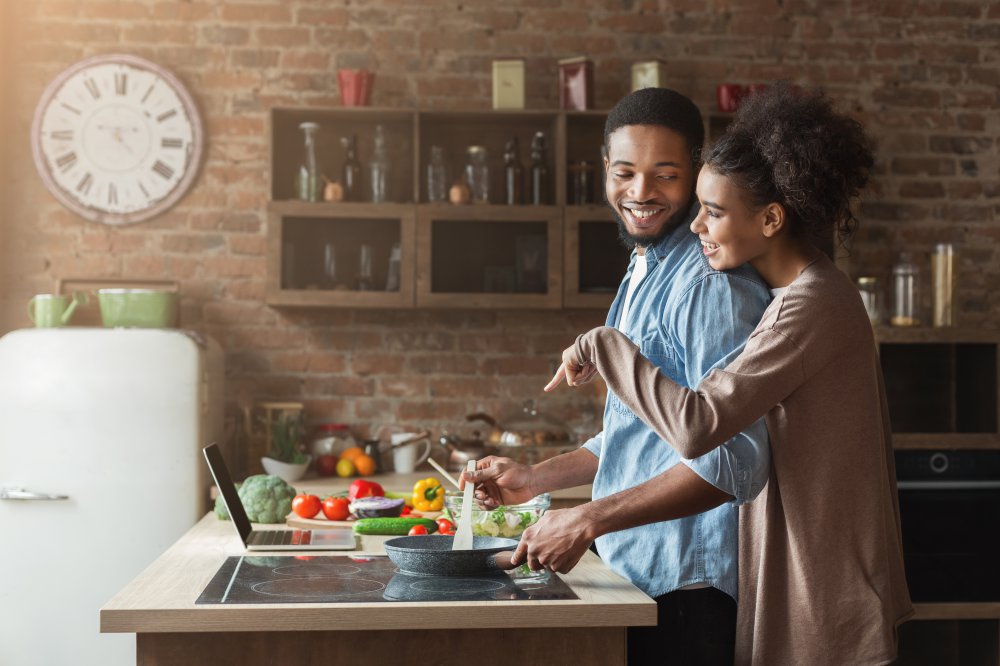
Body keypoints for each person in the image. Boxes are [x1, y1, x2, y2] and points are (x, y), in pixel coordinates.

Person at [545, 82, 913, 665]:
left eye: (711, 211)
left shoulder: (810, 306)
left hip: (819, 577)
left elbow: (701, 427)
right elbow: (678, 420)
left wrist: (609, 346)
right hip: (794, 566)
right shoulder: (800, 296)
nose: (697, 227)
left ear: (770, 218)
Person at [464, 87, 772, 665]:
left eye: (666, 174)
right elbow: (647, 430)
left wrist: (586, 517)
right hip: (641, 573)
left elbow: (733, 462)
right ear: (605, 170)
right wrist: (537, 478)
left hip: (690, 587)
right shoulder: (644, 266)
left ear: (698, 174)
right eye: (625, 172)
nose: (641, 193)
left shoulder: (709, 284)